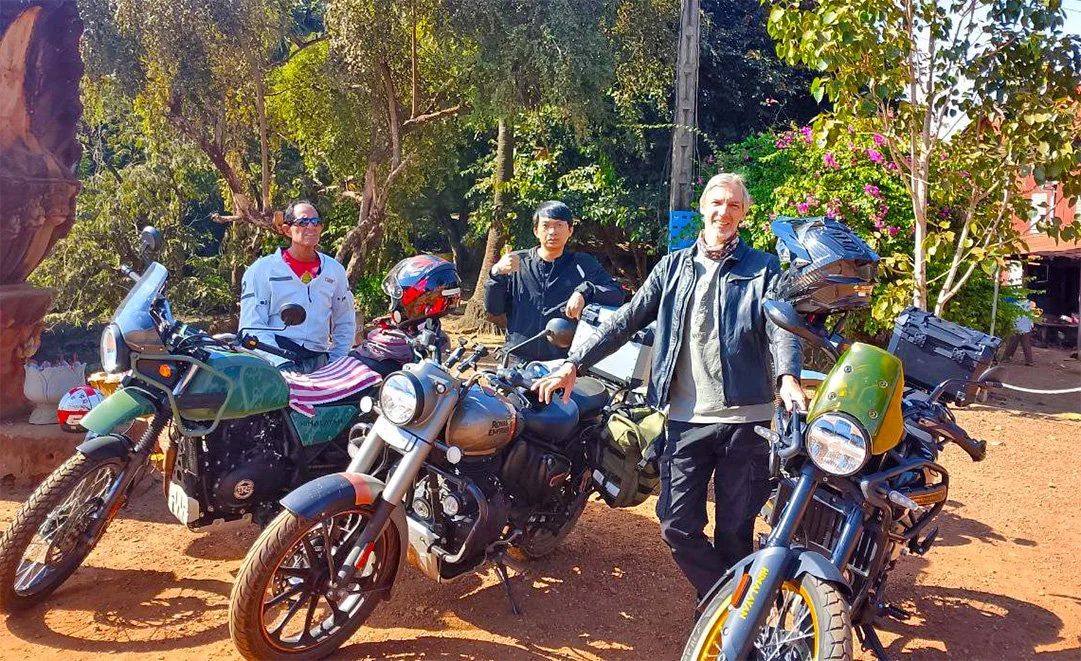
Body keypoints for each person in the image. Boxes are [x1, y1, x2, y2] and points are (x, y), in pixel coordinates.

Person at [533, 174, 806, 601]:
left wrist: (787, 375)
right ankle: (729, 602)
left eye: (734, 206)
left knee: (735, 530)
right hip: (684, 416)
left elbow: (781, 328)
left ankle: (732, 627)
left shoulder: (763, 269)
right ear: (702, 207)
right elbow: (625, 320)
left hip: (745, 419)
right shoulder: (673, 267)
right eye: (717, 203)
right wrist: (575, 362)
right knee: (677, 525)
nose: (724, 213)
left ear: (745, 215)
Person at [484, 200, 623, 362]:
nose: (552, 232)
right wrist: (496, 274)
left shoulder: (582, 263)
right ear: (536, 231)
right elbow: (493, 309)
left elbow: (617, 293)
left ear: (570, 230)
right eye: (546, 226)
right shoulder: (516, 262)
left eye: (559, 225)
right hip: (516, 358)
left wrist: (584, 292)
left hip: (562, 363)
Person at [239, 200, 356, 374]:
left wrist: (336, 361)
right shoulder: (262, 269)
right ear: (287, 230)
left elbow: (345, 320)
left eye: (316, 222)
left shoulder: (334, 270)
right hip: (274, 359)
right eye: (303, 222)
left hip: (319, 361)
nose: (311, 227)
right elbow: (252, 326)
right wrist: (280, 363)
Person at [1002, 298, 1037, 366]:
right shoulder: (1030, 303)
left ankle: (1006, 358)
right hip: (1026, 325)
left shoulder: (1012, 301)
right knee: (1026, 343)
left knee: (1013, 342)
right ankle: (1029, 361)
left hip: (1016, 325)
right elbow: (1033, 314)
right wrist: (1031, 323)